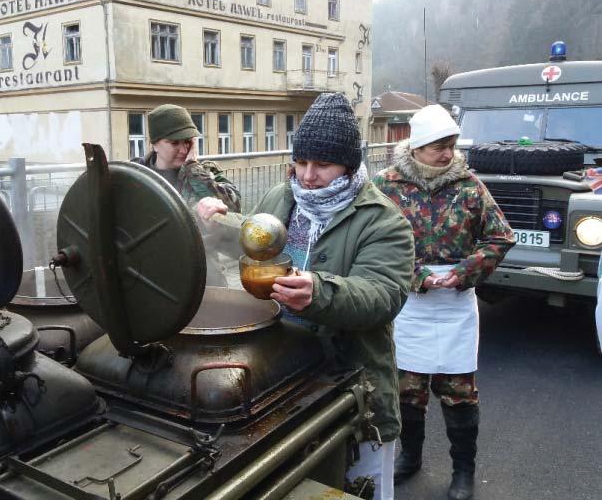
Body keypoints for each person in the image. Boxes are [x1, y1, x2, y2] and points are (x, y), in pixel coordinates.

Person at [197, 92, 415, 500]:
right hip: (283, 378)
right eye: (301, 161)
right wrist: (219, 222)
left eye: (323, 165)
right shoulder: (283, 197)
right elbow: (256, 238)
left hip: (352, 387)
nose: (308, 175)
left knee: (358, 488)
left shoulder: (384, 221)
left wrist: (320, 291)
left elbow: (383, 294)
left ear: (350, 166)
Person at [373, 104, 515, 500]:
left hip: (455, 302)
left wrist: (467, 270)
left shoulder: (469, 186)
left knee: (459, 392)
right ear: (416, 147)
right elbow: (375, 242)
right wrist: (416, 275)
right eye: (438, 146)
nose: (447, 153)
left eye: (451, 145)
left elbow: (501, 236)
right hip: (409, 303)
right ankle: (410, 457)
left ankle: (463, 472)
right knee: (407, 390)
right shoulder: (386, 186)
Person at [134, 104, 241, 286]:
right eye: (174, 143)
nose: (183, 150)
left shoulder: (203, 172)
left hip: (202, 275)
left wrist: (193, 168)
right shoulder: (136, 177)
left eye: (187, 142)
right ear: (155, 144)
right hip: (150, 277)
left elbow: (234, 207)